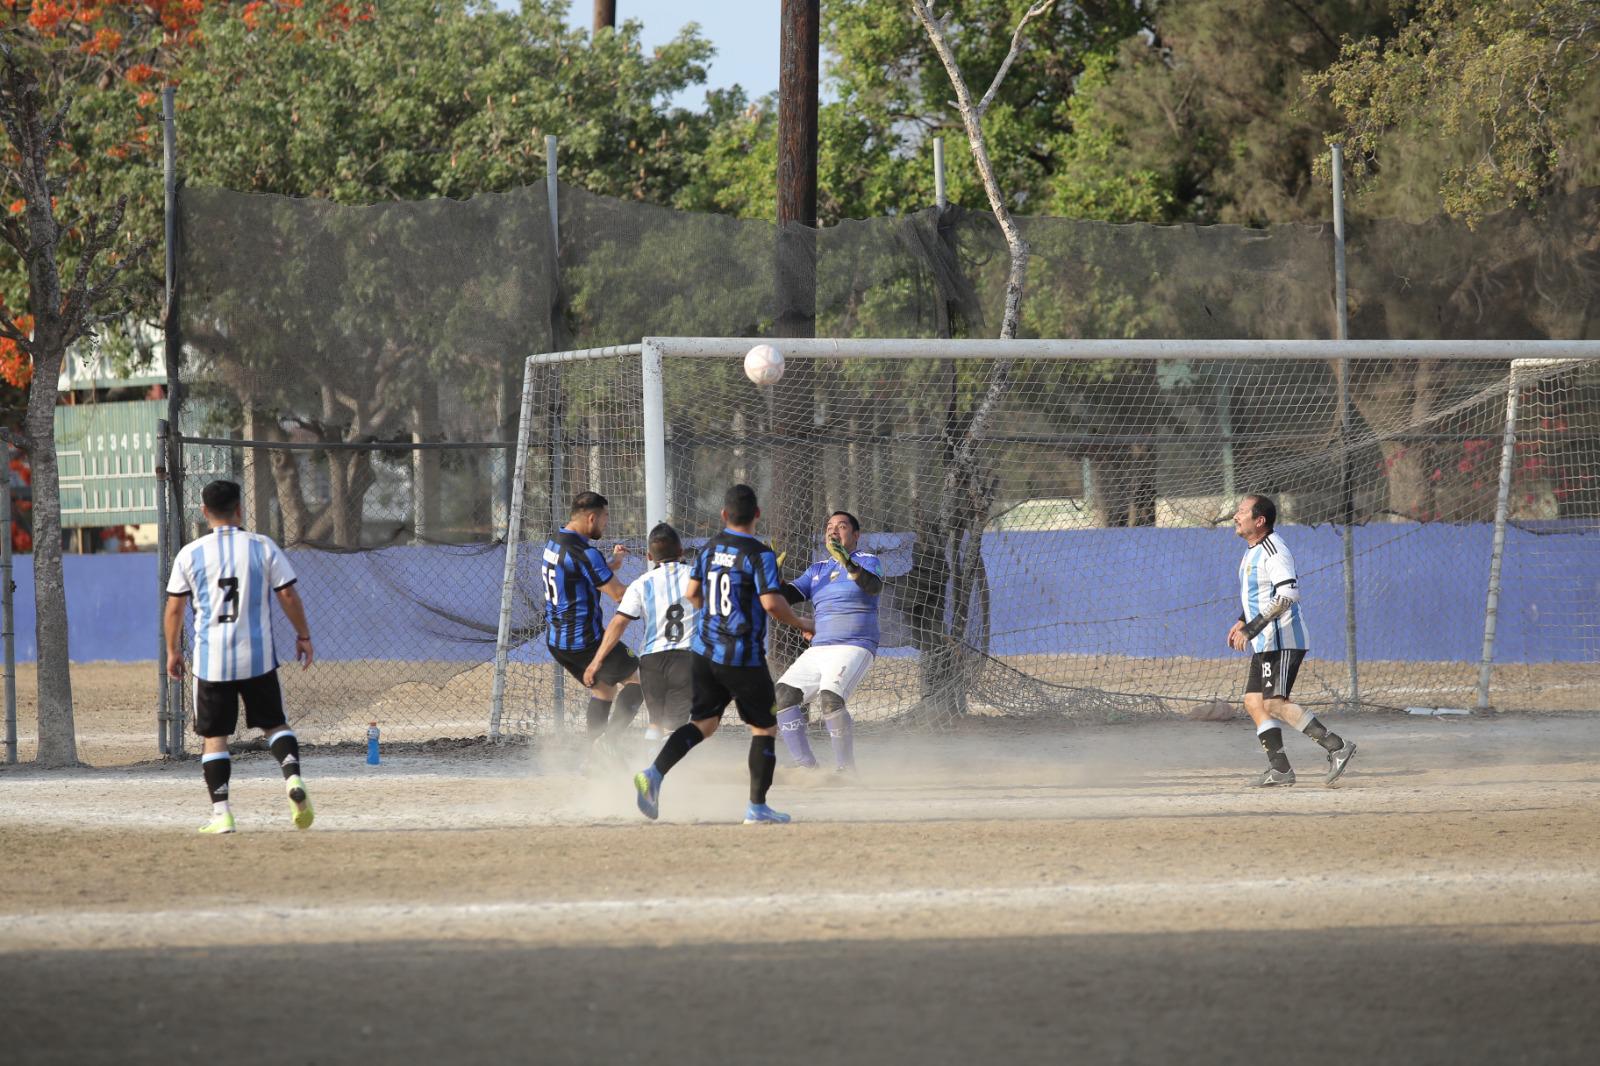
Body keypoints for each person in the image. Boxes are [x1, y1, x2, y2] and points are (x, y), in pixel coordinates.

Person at [632, 484, 815, 824]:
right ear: (757, 514)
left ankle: (653, 774)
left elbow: (692, 593)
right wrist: (802, 620)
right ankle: (757, 808)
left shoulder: (709, 548)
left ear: (724, 515)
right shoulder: (758, 554)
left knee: (703, 723)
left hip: (704, 652)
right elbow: (772, 604)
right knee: (764, 728)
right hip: (742, 657)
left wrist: (713, 618)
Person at [163, 479, 315, 834]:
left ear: (204, 512)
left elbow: (174, 608)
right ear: (239, 509)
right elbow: (288, 596)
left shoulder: (190, 553)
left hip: (211, 661)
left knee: (214, 737)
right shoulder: (262, 547)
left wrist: (173, 650)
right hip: (257, 656)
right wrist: (304, 635)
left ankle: (222, 814)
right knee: (275, 724)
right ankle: (292, 779)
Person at [1228, 494, 1357, 787]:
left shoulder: (1274, 549)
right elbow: (1260, 593)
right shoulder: (1253, 549)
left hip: (1281, 638)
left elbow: (1287, 593)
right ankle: (1280, 769)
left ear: (1259, 521)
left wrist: (1253, 628)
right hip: (1265, 641)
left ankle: (1337, 746)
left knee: (1274, 703)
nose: (1236, 516)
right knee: (1253, 701)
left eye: (1242, 512)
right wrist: (1242, 620)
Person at [774, 510, 883, 779]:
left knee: (830, 699)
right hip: (820, 647)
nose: (834, 530)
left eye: (842, 526)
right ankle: (805, 765)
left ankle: (847, 770)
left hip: (854, 645)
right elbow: (787, 595)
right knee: (782, 697)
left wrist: (848, 563)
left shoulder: (868, 560)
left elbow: (873, 587)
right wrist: (771, 577)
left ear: (856, 535)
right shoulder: (817, 569)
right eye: (829, 526)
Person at [542, 491, 644, 768]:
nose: (606, 524)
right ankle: (606, 745)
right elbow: (620, 595)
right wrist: (654, 583)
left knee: (604, 691)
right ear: (591, 517)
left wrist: (612, 564)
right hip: (584, 641)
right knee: (641, 681)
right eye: (605, 518)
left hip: (558, 640)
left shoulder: (554, 542)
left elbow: (577, 573)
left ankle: (593, 759)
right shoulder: (587, 553)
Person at [585, 522, 696, 740]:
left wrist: (597, 661)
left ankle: (646, 764)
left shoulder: (641, 583)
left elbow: (618, 623)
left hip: (651, 661)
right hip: (686, 659)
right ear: (681, 552)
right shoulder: (697, 577)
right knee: (674, 728)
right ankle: (662, 771)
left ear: (649, 557)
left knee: (655, 723)